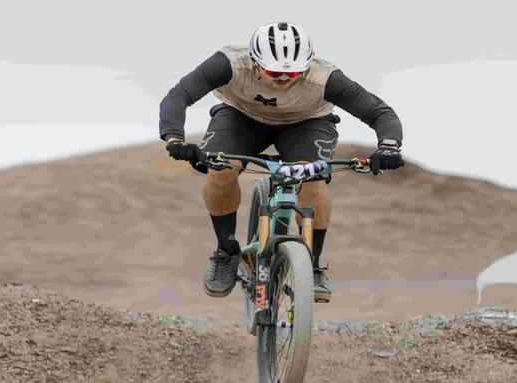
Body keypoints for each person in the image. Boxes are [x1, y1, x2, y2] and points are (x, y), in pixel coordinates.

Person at [160, 22, 404, 302]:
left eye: (294, 72)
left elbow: (379, 112)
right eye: (275, 72)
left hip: (307, 123)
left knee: (312, 178)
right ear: (254, 61)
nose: (284, 77)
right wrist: (175, 140)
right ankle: (226, 251)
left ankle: (311, 266)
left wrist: (388, 147)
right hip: (241, 117)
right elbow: (179, 95)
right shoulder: (228, 64)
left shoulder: (325, 77)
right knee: (220, 170)